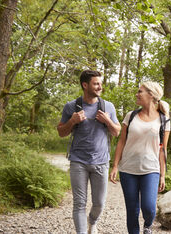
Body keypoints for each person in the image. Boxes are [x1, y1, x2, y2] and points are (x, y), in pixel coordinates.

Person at [57, 70, 121, 234]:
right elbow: (61, 132)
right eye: (96, 83)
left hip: (101, 162)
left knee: (99, 203)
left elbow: (117, 132)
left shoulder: (108, 106)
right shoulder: (71, 106)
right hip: (78, 161)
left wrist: (107, 121)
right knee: (79, 203)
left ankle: (93, 221)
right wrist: (72, 121)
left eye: (100, 83)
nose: (100, 87)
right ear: (85, 85)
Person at [109, 81, 171, 234]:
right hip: (128, 169)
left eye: (140, 91)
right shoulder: (131, 116)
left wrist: (163, 175)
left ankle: (147, 226)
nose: (137, 94)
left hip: (151, 169)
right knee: (132, 209)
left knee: (149, 208)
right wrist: (115, 165)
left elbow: (163, 149)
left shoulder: (164, 120)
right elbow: (121, 141)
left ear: (151, 95)